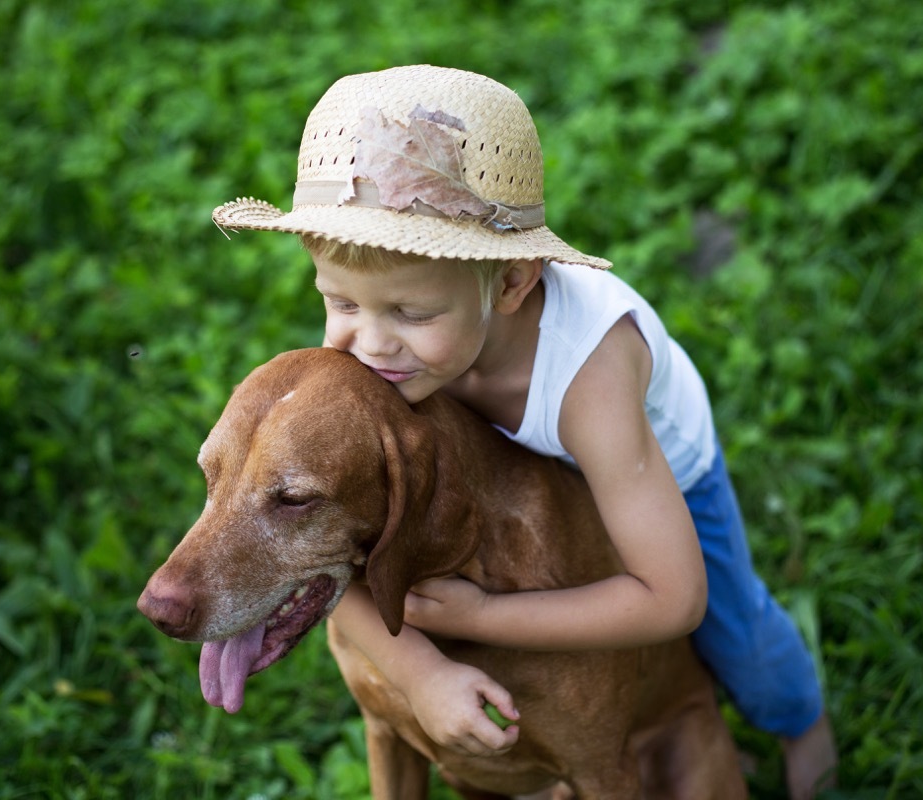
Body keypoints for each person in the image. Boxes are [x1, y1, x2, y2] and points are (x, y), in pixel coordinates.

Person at [212, 64, 837, 799]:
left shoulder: (589, 378)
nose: (370, 345)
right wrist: (420, 670)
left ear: (511, 283)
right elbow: (341, 536)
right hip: (512, 463)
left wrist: (487, 616)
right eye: (340, 302)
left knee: (731, 630)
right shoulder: (393, 354)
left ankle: (803, 730)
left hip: (646, 465)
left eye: (409, 313)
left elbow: (671, 598)